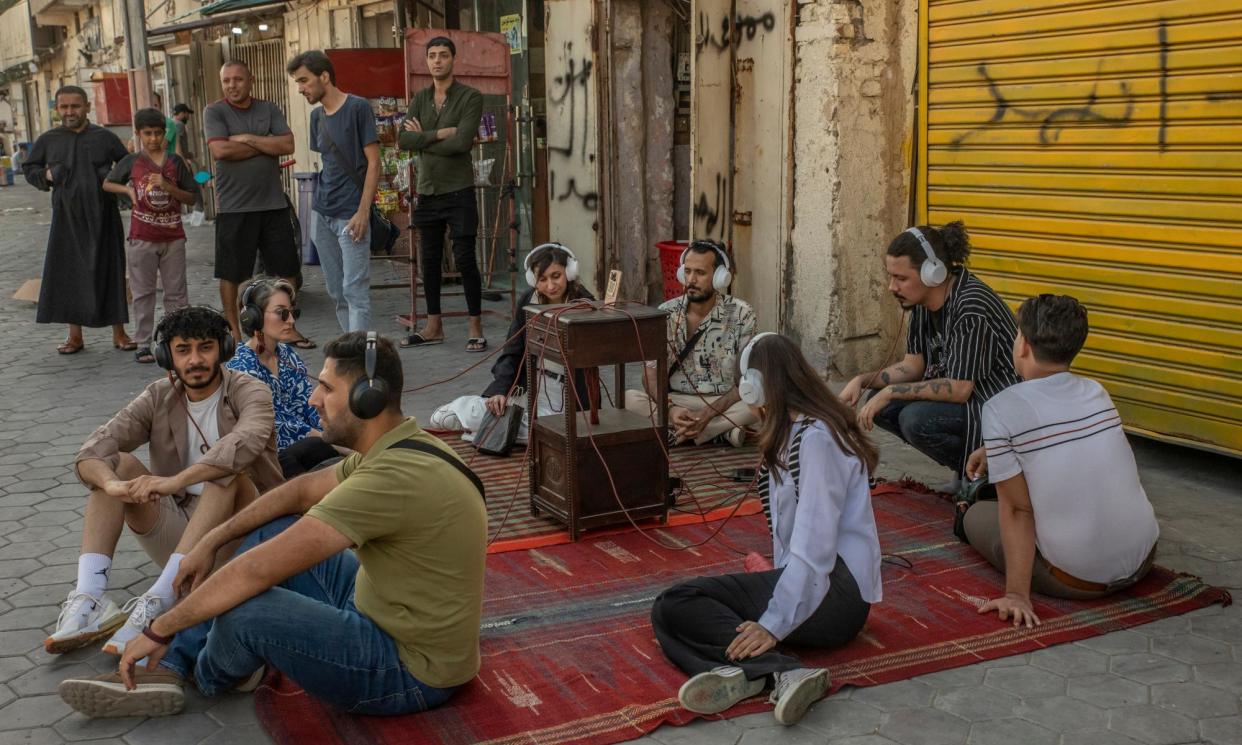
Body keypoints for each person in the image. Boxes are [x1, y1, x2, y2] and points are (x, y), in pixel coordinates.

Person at [57, 332, 488, 720]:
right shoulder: (400, 444)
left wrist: (158, 628)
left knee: (246, 604)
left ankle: (202, 672)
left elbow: (255, 572)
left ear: (366, 399)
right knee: (270, 529)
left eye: (326, 387)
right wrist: (213, 538)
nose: (314, 399)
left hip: (409, 670)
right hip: (382, 610)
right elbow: (298, 493)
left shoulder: (391, 478)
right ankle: (172, 664)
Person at [651, 333, 882, 726]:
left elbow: (814, 548)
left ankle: (782, 670)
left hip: (834, 593)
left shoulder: (816, 440)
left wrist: (774, 623)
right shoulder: (798, 430)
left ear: (754, 386)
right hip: (821, 588)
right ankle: (749, 673)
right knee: (672, 613)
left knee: (676, 605)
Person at [45, 306, 280, 658]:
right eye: (183, 350)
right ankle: (90, 598)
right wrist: (112, 487)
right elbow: (94, 448)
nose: (195, 359)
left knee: (225, 473)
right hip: (183, 542)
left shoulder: (251, 391)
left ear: (224, 348)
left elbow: (244, 442)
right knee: (118, 464)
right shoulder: (158, 395)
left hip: (246, 538)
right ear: (165, 354)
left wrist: (176, 481)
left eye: (205, 347)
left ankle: (162, 600)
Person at [962, 294, 1159, 627]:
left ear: (1022, 344)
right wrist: (993, 449)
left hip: (1076, 581)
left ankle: (969, 519)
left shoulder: (999, 407)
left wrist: (1016, 596)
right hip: (1144, 561)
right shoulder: (1097, 391)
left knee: (975, 515)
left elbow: (1017, 510)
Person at [841, 221, 1021, 491]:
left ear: (933, 274)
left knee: (915, 418)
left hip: (996, 406)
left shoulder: (970, 306)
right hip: (971, 400)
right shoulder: (922, 304)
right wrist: (862, 380)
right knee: (880, 405)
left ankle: (988, 477)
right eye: (891, 277)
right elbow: (913, 366)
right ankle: (967, 473)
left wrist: (891, 391)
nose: (892, 287)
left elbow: (960, 389)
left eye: (901, 278)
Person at [430, 243, 595, 441]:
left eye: (556, 276)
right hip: (531, 387)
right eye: (542, 279)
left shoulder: (584, 303)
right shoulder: (528, 300)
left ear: (569, 272)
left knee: (552, 435)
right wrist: (501, 390)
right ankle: (484, 424)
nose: (550, 286)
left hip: (565, 395)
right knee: (442, 419)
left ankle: (487, 432)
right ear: (533, 279)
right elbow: (512, 350)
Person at [22, 86, 135, 355]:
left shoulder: (105, 137)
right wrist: (47, 176)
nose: (70, 112)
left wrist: (114, 180)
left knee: (111, 270)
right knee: (70, 274)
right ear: (58, 110)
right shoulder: (49, 139)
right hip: (66, 218)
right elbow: (30, 168)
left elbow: (128, 164)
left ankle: (119, 333)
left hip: (104, 215)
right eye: (64, 107)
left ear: (87, 106)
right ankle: (75, 336)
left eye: (75, 106)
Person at [398, 36, 486, 352]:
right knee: (430, 261)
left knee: (464, 259)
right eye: (432, 55)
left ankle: (475, 326)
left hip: (458, 190)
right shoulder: (420, 98)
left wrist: (423, 138)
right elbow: (403, 139)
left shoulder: (470, 97)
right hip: (427, 191)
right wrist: (437, 134)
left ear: (453, 60)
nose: (437, 61)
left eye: (443, 55)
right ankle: (433, 326)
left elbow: (462, 143)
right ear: (427, 61)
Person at [203, 61, 301, 344]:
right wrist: (264, 143)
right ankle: (234, 331)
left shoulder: (268, 109)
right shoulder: (215, 111)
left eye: (238, 79)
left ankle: (284, 327)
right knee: (231, 273)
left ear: (251, 80)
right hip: (234, 207)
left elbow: (287, 146)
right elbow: (221, 150)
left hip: (272, 204)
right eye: (227, 81)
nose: (232, 85)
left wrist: (245, 139)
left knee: (288, 271)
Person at [624, 240, 758, 447]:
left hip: (723, 402)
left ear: (720, 277)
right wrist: (671, 410)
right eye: (687, 271)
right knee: (629, 400)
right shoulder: (665, 313)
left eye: (700, 273)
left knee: (767, 401)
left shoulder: (742, 314)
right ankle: (721, 432)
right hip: (679, 401)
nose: (691, 280)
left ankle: (685, 433)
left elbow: (745, 380)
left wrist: (707, 413)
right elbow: (649, 375)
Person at [288, 50, 381, 333]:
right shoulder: (317, 117)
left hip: (351, 214)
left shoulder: (357, 108)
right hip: (322, 212)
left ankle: (362, 362)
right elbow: (327, 163)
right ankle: (351, 348)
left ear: (324, 76)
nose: (301, 88)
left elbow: (375, 163)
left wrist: (363, 211)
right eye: (297, 83)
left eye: (304, 81)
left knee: (355, 291)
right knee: (336, 291)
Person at [103, 108, 199, 364]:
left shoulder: (175, 163)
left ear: (164, 134)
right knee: (142, 292)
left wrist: (168, 186)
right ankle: (143, 342)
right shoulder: (132, 161)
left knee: (176, 293)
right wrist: (128, 191)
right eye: (148, 133)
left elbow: (192, 195)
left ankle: (175, 339)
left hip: (173, 237)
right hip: (142, 237)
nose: (153, 138)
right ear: (139, 134)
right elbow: (107, 183)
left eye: (158, 133)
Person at [227, 277, 339, 477]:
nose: (291, 320)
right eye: (282, 313)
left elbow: (308, 405)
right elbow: (280, 425)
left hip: (306, 446)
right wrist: (337, 444)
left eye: (292, 313)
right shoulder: (241, 366)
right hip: (268, 456)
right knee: (323, 449)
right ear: (254, 317)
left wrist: (337, 432)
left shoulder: (287, 354)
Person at [171, 103, 204, 213]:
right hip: (179, 160)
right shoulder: (179, 125)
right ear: (182, 113)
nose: (188, 117)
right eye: (187, 114)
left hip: (175, 159)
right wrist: (184, 161)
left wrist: (187, 154)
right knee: (194, 185)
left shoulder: (171, 123)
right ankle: (200, 211)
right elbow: (177, 145)